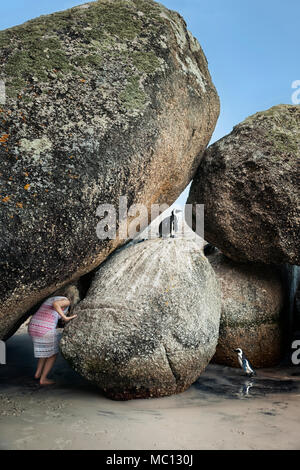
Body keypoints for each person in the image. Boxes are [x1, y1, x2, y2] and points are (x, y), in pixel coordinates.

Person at [28, 285, 79, 385]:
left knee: (45, 351)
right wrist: (65, 317)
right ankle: (43, 379)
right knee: (53, 354)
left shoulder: (51, 298)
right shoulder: (66, 301)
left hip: (33, 326)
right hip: (45, 327)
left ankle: (38, 374)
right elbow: (56, 305)